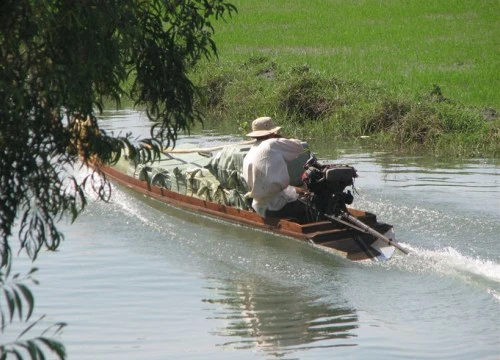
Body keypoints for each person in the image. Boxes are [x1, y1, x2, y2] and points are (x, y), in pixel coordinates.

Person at [242, 116, 309, 221]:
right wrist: (281, 137)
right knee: (314, 207)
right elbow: (298, 146)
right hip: (277, 206)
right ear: (271, 133)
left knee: (298, 194)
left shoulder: (251, 151)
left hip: (259, 205)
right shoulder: (272, 143)